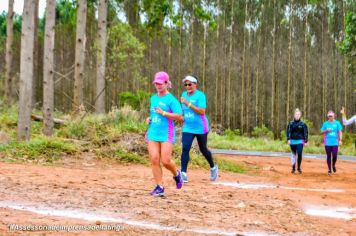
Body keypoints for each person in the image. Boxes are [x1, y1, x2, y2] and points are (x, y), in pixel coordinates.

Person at [146, 71, 184, 197]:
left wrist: (164, 113)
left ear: (167, 83)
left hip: (166, 133)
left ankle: (177, 174)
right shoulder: (153, 98)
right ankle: (159, 187)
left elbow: (179, 116)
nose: (158, 86)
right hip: (153, 132)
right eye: (156, 83)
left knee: (166, 161)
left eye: (161, 83)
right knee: (154, 159)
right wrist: (149, 119)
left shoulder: (171, 100)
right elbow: (153, 113)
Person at [180, 75, 218, 183]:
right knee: (185, 148)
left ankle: (213, 167)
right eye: (186, 84)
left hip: (201, 127)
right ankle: (183, 173)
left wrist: (188, 103)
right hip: (187, 127)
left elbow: (202, 111)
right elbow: (183, 111)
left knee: (203, 149)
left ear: (195, 84)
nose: (188, 86)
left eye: (190, 84)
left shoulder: (200, 96)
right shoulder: (183, 95)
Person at [320, 111, 343, 176]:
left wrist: (340, 140)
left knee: (335, 155)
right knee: (329, 156)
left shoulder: (337, 123)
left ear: (334, 116)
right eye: (329, 116)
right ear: (328, 116)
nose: (330, 117)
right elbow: (321, 132)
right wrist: (326, 130)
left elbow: (340, 132)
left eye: (331, 116)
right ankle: (329, 170)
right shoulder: (325, 124)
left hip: (335, 142)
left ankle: (333, 165)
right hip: (327, 142)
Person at [286, 108, 308, 174]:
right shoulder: (290, 123)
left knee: (299, 153)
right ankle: (293, 168)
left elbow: (305, 132)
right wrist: (288, 139)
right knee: (293, 154)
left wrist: (306, 141)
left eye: (298, 114)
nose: (297, 115)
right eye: (296, 114)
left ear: (300, 115)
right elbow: (288, 132)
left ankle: (298, 168)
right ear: (294, 115)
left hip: (300, 141)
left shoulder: (303, 124)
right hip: (292, 141)